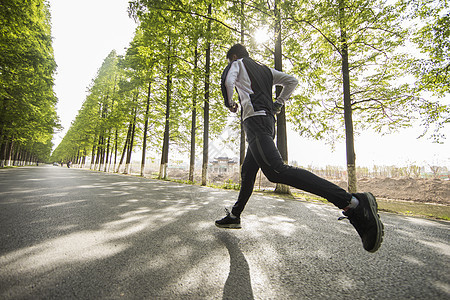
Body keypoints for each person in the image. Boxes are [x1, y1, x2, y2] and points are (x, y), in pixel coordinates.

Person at [215, 44, 384, 253]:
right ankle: (235, 215)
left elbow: (227, 81)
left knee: (276, 171)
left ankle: (353, 203)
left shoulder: (237, 63)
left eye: (230, 60)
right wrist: (279, 103)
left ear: (233, 56)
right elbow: (291, 81)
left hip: (255, 123)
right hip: (268, 123)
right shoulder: (265, 70)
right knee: (248, 172)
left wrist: (229, 102)